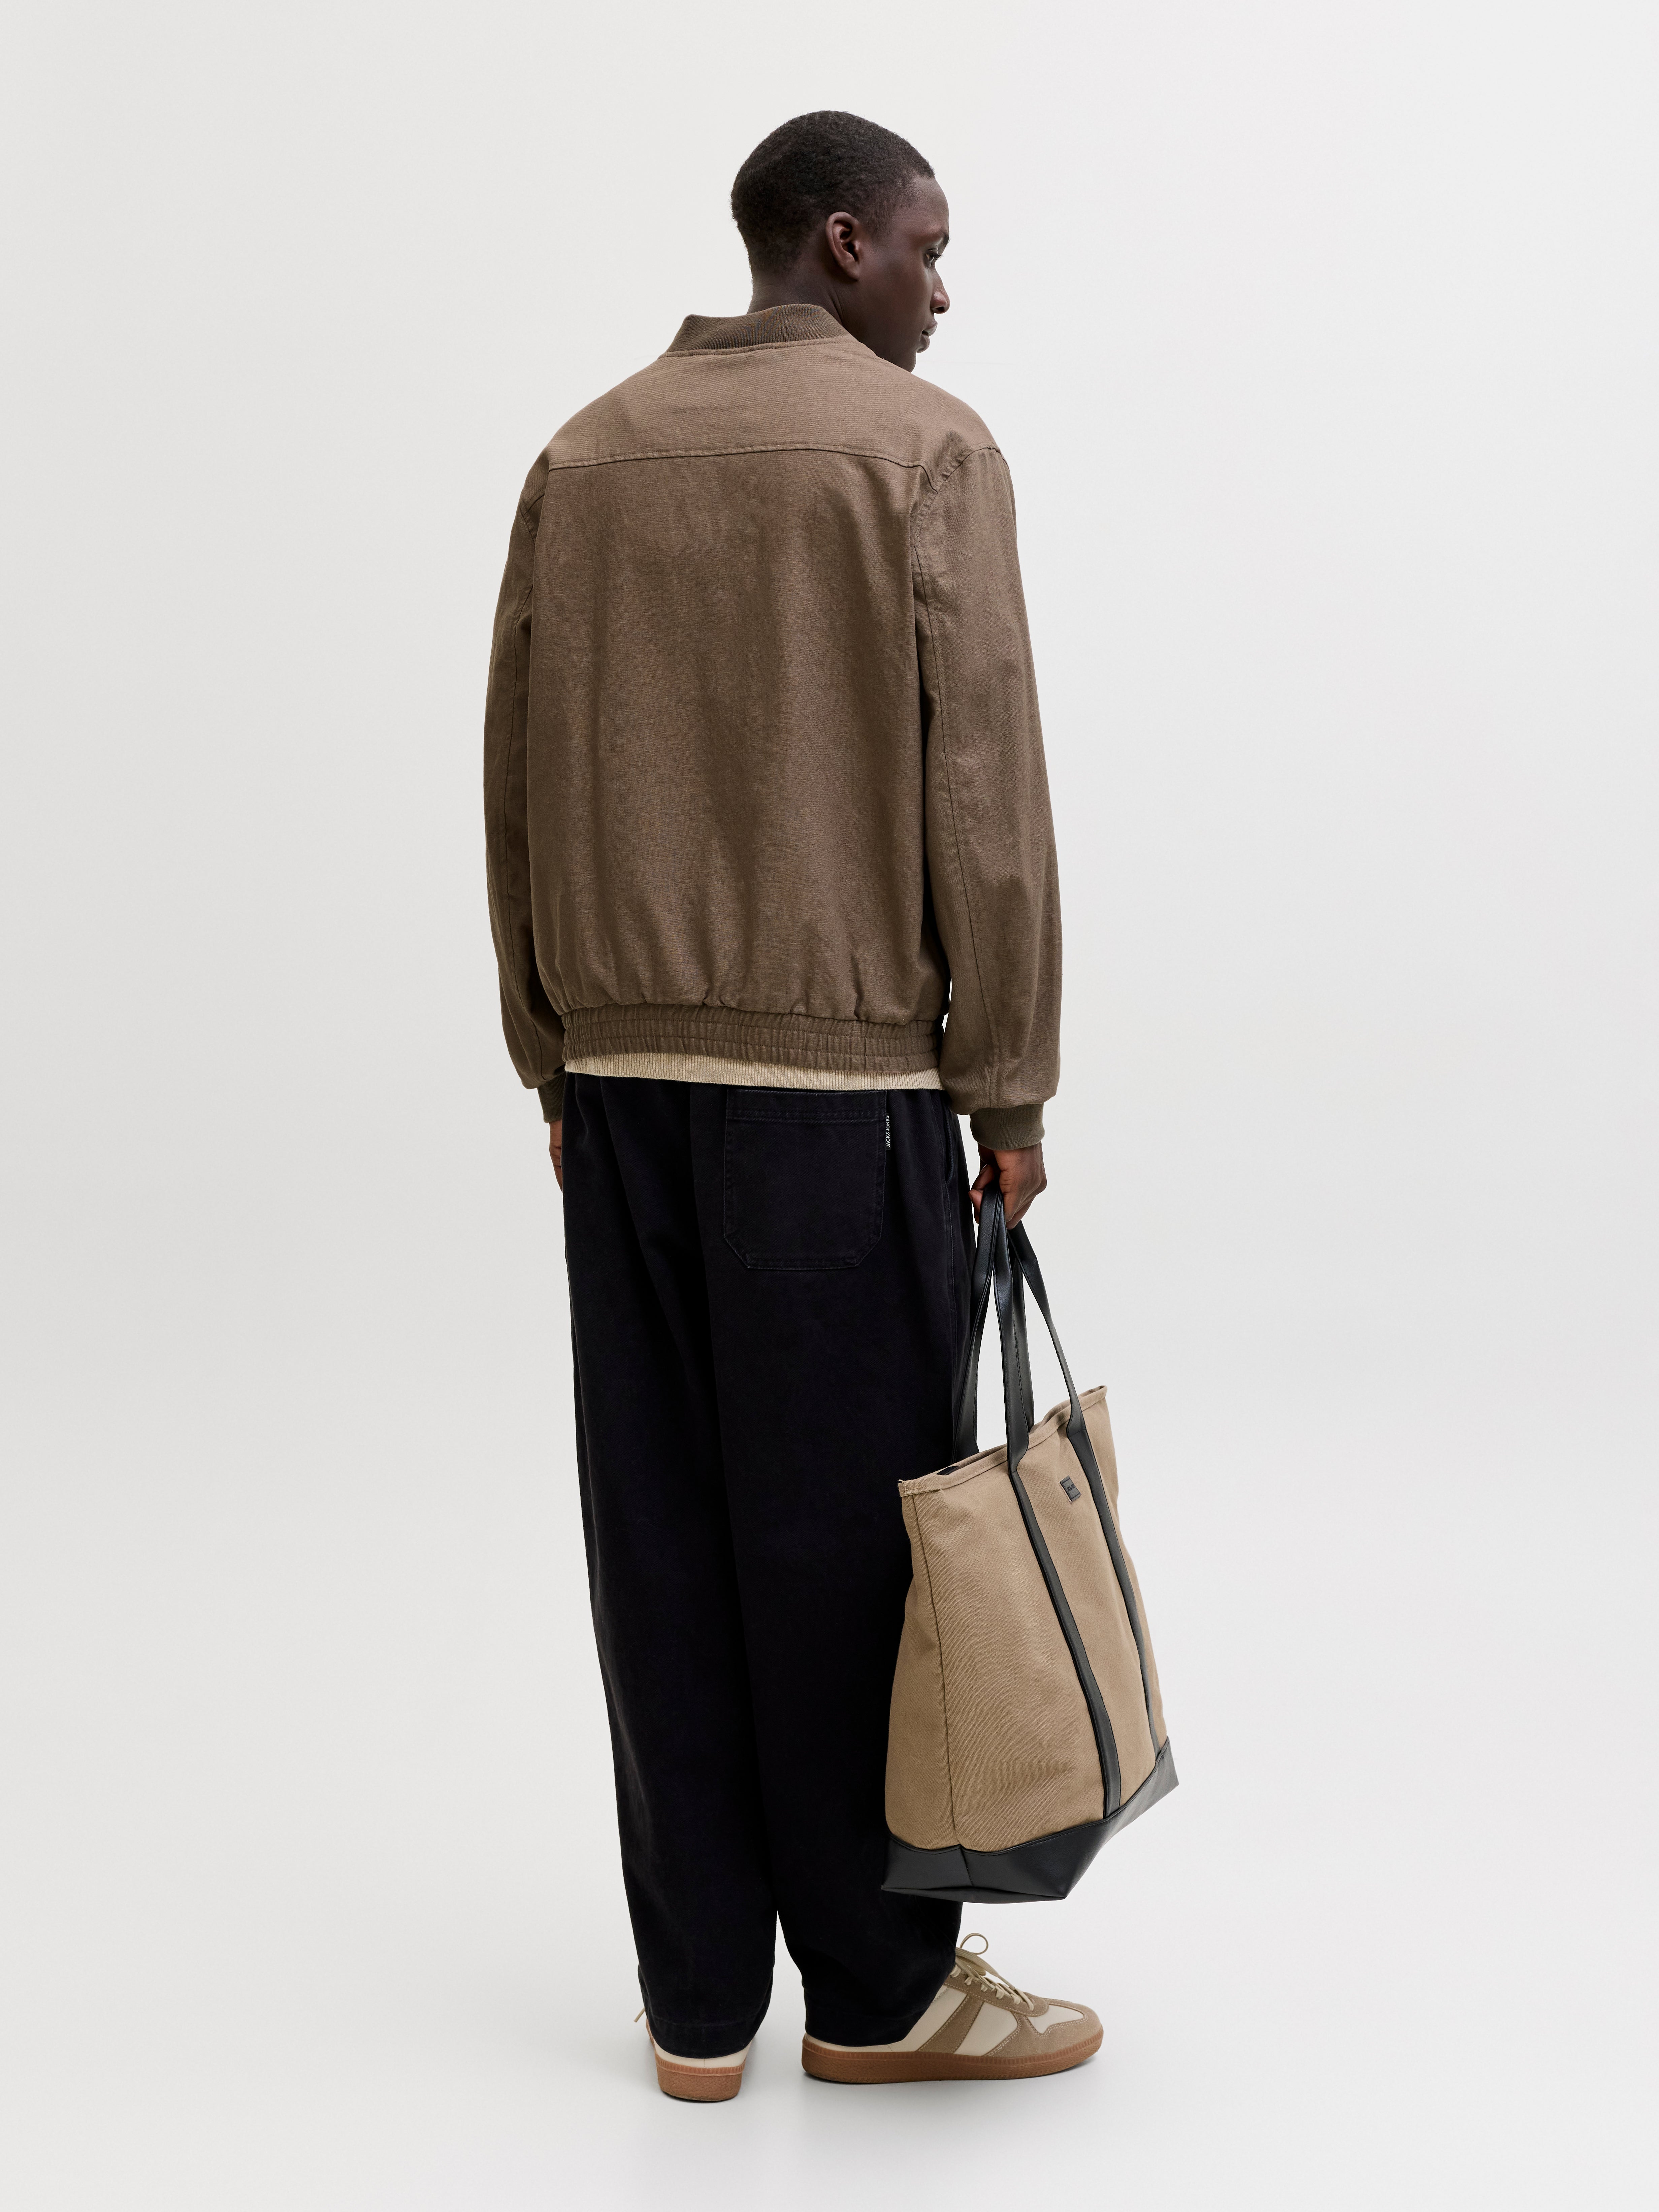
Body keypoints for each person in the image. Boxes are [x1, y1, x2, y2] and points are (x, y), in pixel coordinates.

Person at [483, 110, 1098, 2099]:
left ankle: (695, 2011)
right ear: (841, 243)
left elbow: (512, 777)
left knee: (658, 1540)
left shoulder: (584, 455)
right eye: (926, 246)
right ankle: (875, 1993)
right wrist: (1006, 1083)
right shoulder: (924, 451)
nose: (943, 285)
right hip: (840, 1100)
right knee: (850, 1555)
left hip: (623, 1098)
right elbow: (982, 793)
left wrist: (552, 1048)